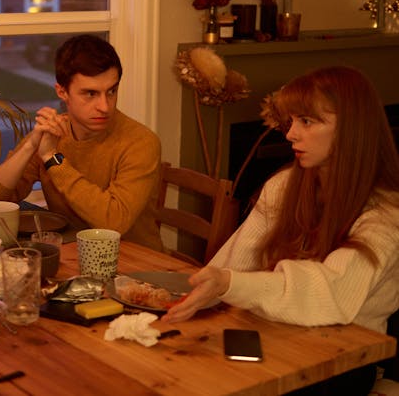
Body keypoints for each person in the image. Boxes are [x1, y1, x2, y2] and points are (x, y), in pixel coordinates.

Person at [163, 66, 399, 395]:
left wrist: (229, 283)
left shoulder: (386, 215)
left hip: (342, 361)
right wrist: (208, 288)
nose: (290, 134)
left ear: (351, 129)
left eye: (307, 121)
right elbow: (235, 265)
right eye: (293, 121)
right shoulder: (284, 185)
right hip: (276, 335)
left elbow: (329, 293)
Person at [0, 34, 163, 250]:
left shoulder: (141, 142)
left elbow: (113, 223)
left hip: (137, 264)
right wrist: (30, 147)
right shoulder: (53, 133)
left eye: (111, 91)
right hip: (73, 254)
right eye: (90, 93)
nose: (104, 106)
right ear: (62, 91)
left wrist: (53, 159)